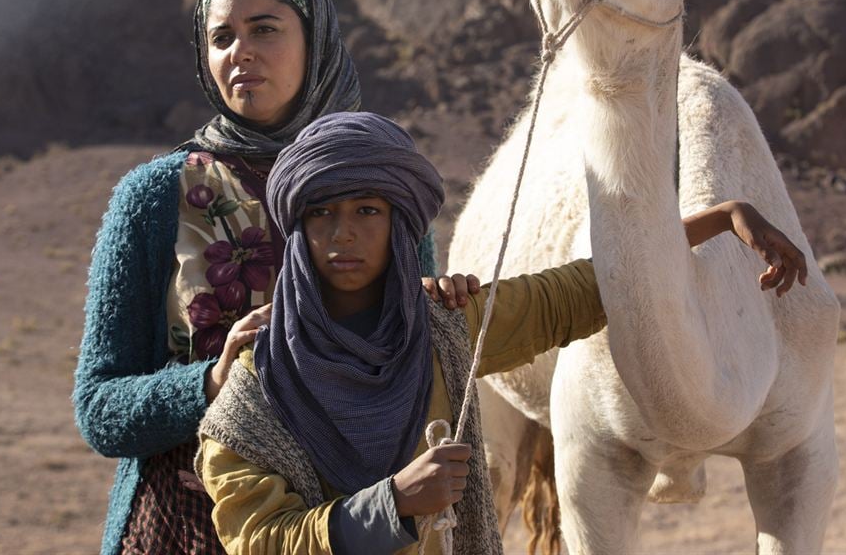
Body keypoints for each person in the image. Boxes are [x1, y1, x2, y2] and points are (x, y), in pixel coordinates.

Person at [195, 112, 808, 555]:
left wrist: (721, 218)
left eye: (367, 211)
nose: (343, 233)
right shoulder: (257, 387)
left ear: (401, 225)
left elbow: (585, 289)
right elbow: (257, 539)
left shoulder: (445, 327)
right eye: (322, 213)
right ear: (297, 231)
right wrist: (393, 505)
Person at [72, 0, 472, 555]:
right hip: (184, 529)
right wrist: (211, 382)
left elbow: (408, 376)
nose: (241, 52)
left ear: (315, 41)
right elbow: (100, 408)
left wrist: (443, 312)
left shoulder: (381, 185)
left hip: (349, 525)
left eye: (265, 29)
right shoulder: (157, 195)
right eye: (222, 37)